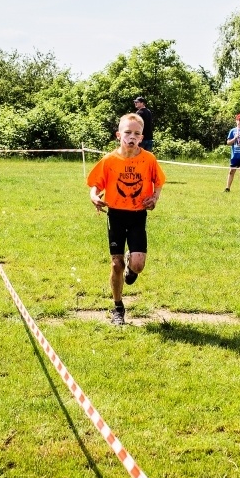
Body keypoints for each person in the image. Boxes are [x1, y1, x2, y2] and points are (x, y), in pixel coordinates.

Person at [87, 113, 166, 325]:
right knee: (116, 264)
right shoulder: (109, 160)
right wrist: (94, 196)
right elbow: (96, 184)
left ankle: (133, 267)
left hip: (138, 215)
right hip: (116, 215)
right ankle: (118, 308)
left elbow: (159, 181)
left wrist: (155, 197)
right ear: (118, 135)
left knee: (138, 265)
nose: (132, 137)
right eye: (127, 132)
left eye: (137, 134)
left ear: (142, 137)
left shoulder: (148, 159)